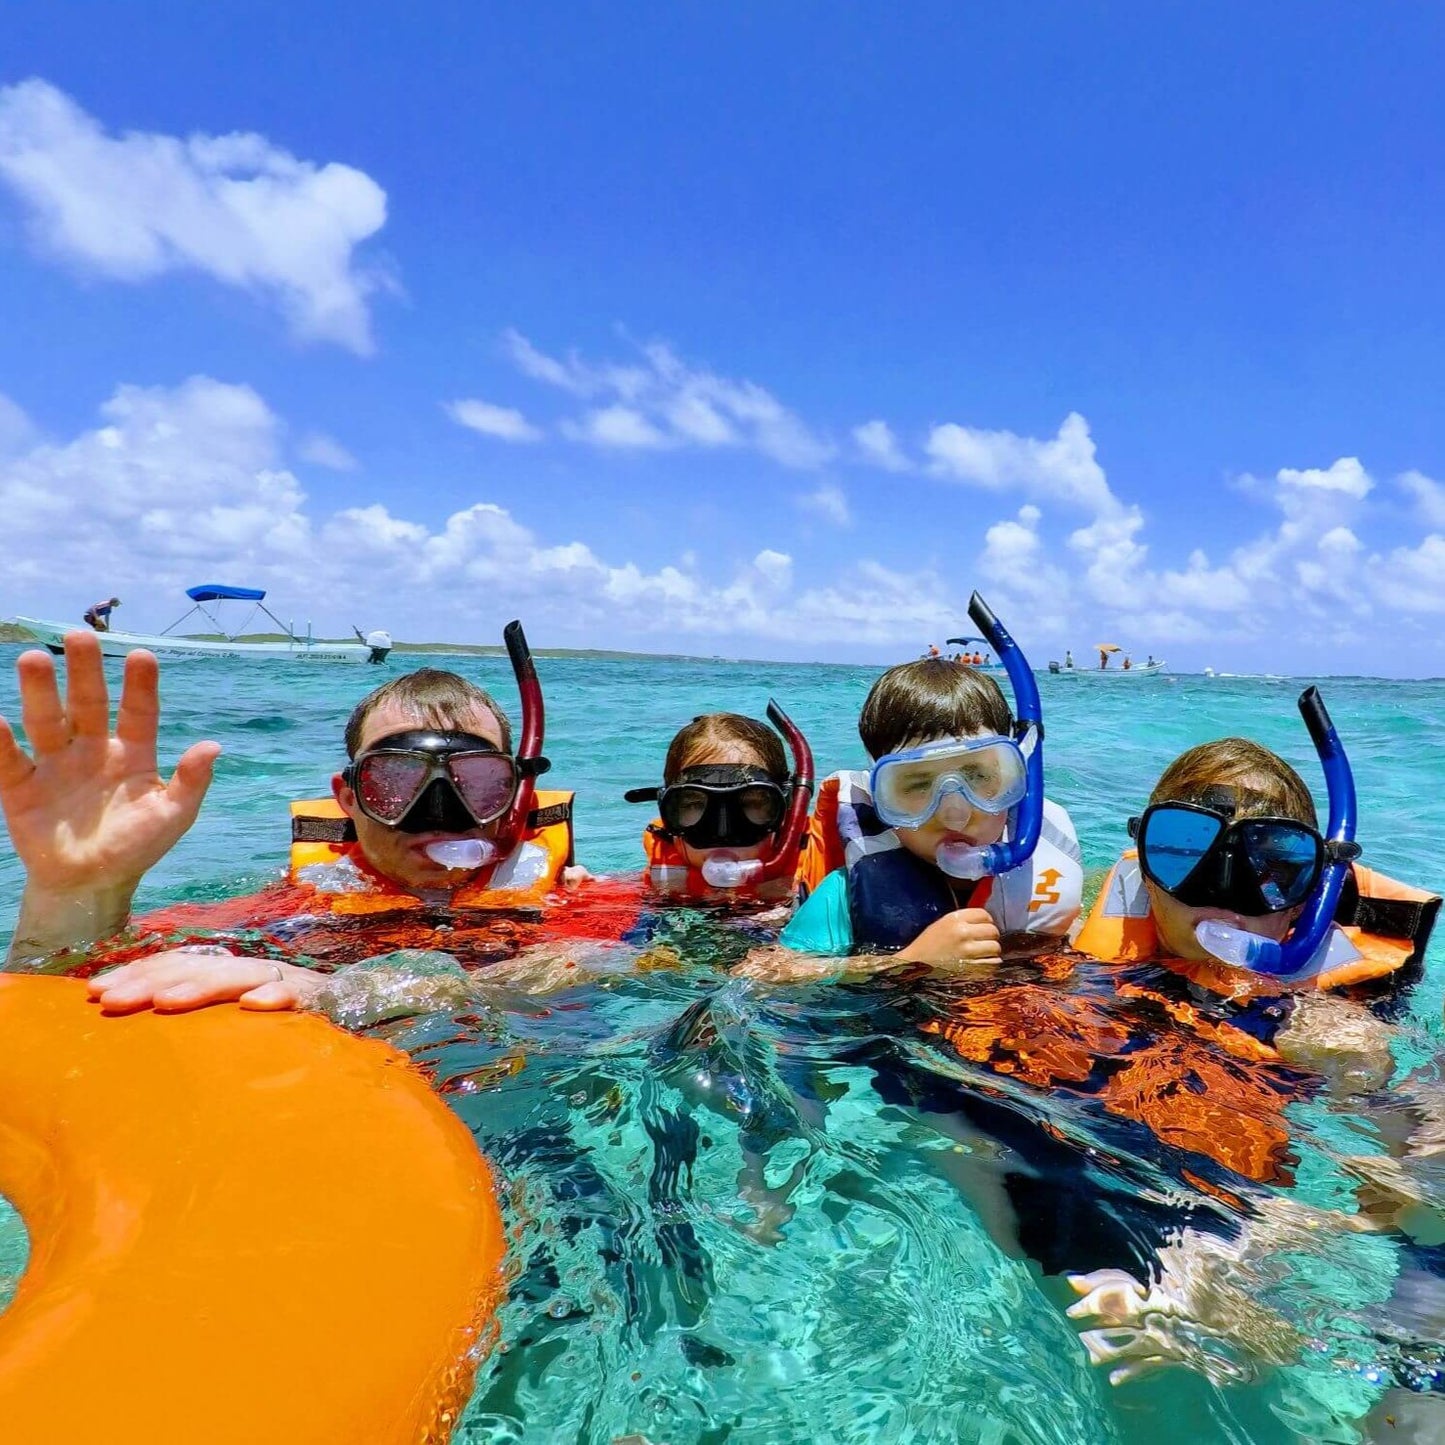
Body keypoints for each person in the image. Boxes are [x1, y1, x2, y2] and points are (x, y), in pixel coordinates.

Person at [0, 624, 584, 1011]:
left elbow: (597, 975)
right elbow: (56, 989)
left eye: (477, 783)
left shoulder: (574, 907)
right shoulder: (283, 914)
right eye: (395, 782)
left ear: (516, 794)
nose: (438, 813)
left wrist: (336, 990)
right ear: (349, 797)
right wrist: (76, 894)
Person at [770, 595, 1082, 973]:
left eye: (979, 777)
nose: (955, 814)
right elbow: (767, 976)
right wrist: (905, 962)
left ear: (1016, 777)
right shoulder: (842, 897)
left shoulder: (1045, 876)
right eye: (918, 785)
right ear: (880, 795)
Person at [624, 706, 814, 903]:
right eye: (694, 804)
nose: (722, 831)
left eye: (753, 803)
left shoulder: (821, 884)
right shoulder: (660, 884)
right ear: (668, 810)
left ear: (787, 809)